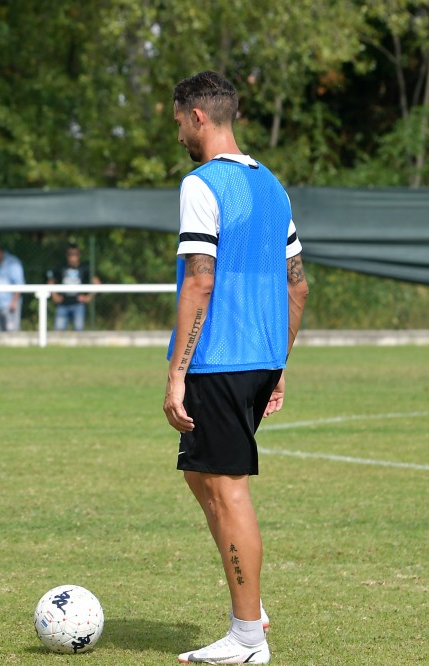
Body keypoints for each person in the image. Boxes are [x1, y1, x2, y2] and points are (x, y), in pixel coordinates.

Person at [164, 71, 308, 665]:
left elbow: (201, 278)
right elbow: (298, 288)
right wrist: (278, 364)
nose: (176, 133)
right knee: (202, 478)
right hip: (256, 360)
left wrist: (177, 371)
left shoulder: (201, 183)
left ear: (198, 116)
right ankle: (251, 603)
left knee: (228, 491)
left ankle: (247, 639)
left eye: (177, 122)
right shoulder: (272, 186)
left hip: (217, 361)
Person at [46, 243, 100, 332]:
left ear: (79, 255)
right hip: (63, 304)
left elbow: (97, 283)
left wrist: (88, 297)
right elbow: (51, 281)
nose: (72, 257)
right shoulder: (61, 267)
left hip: (78, 304)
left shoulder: (84, 268)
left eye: (75, 254)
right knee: (58, 332)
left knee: (79, 332)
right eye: (70, 254)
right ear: (67, 255)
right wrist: (54, 296)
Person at [0, 241, 25, 332]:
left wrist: (14, 302)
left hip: (9, 304)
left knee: (11, 332)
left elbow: (18, 284)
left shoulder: (13, 263)